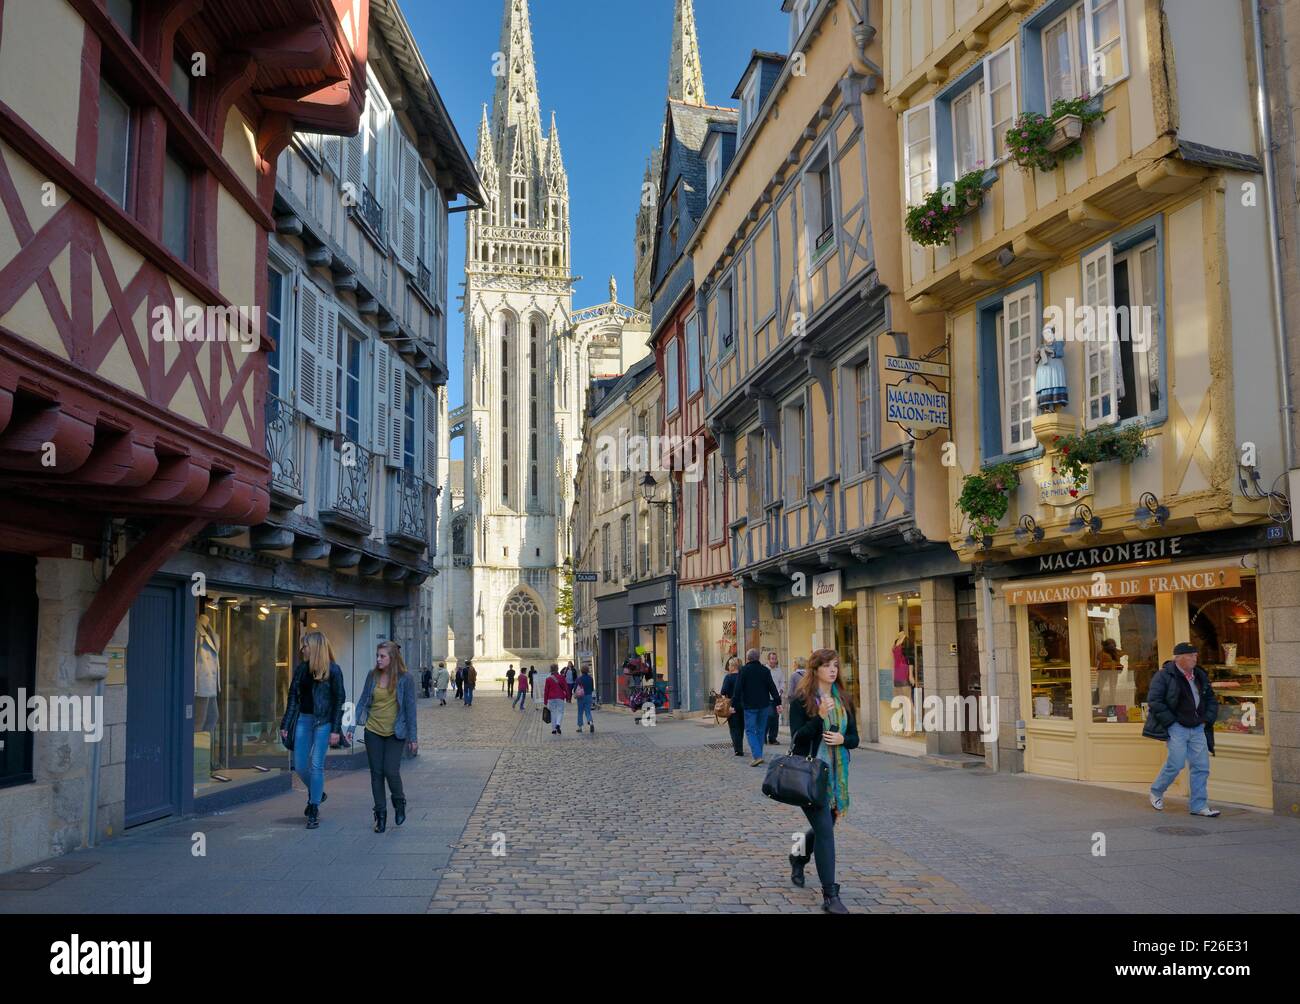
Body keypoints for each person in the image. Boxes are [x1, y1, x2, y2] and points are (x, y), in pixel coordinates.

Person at [787, 648, 857, 914]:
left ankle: (797, 855)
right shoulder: (801, 700)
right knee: (826, 832)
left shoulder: (844, 700)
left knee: (824, 826)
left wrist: (843, 740)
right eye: (827, 665)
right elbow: (798, 737)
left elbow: (855, 738)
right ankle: (830, 895)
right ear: (815, 669)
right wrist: (818, 718)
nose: (833, 670)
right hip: (811, 776)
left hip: (837, 777)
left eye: (836, 665)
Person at [1144, 641, 1220, 817]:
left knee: (1201, 767)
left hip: (1198, 727)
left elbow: (1211, 699)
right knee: (1176, 763)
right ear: (1178, 658)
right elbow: (1155, 701)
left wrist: (1206, 720)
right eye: (1190, 656)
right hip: (1177, 727)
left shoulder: (1200, 675)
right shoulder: (1164, 676)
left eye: (1195, 655)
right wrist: (1171, 722)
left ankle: (1198, 806)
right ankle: (1156, 791)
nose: (1195, 658)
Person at [280, 631, 345, 830]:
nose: (302, 649)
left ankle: (314, 807)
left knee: (317, 765)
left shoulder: (333, 670)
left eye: (305, 645)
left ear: (315, 647)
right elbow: (292, 697)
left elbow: (339, 700)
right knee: (300, 765)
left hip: (324, 723)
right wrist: (285, 723)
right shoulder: (301, 670)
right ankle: (318, 792)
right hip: (303, 721)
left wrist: (336, 729)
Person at [355, 640, 417, 833]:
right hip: (373, 730)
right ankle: (380, 815)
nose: (378, 659)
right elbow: (363, 700)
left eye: (382, 656)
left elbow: (410, 709)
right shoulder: (372, 675)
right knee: (376, 773)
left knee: (391, 771)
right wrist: (350, 727)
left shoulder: (405, 679)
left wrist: (413, 738)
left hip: (395, 733)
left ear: (392, 658)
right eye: (377, 656)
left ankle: (399, 802)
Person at [737, 647, 780, 765]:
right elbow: (772, 687)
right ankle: (759, 755)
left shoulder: (744, 670)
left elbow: (738, 689)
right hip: (764, 705)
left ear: (747, 658)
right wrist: (778, 702)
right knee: (761, 731)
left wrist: (734, 704)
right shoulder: (765, 670)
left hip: (749, 706)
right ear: (758, 658)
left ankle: (757, 755)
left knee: (750, 730)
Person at [719, 656, 744, 756]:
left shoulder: (728, 677)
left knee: (734, 727)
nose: (728, 667)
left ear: (733, 666)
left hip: (731, 705)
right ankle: (740, 746)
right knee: (741, 727)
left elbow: (723, 691)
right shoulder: (743, 676)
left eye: (729, 665)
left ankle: (738, 749)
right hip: (743, 705)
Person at [765, 650, 786, 745]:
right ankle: (763, 736)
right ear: (768, 660)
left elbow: (782, 682)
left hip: (777, 698)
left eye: (775, 659)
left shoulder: (779, 671)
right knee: (769, 716)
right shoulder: (765, 670)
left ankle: (773, 738)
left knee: (775, 718)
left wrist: (781, 690)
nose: (773, 661)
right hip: (767, 698)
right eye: (772, 659)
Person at [544, 664, 570, 735]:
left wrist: (545, 701)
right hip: (560, 697)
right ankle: (558, 724)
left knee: (553, 713)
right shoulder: (561, 677)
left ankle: (553, 729)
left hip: (551, 698)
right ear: (557, 669)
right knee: (560, 712)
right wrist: (568, 697)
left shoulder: (548, 679)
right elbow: (566, 688)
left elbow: (546, 690)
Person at [575, 664, 596, 733]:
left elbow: (575, 688)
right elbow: (592, 688)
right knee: (588, 711)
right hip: (589, 696)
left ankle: (580, 727)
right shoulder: (590, 678)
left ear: (581, 671)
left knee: (580, 712)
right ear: (588, 671)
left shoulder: (579, 679)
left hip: (581, 696)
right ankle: (590, 722)